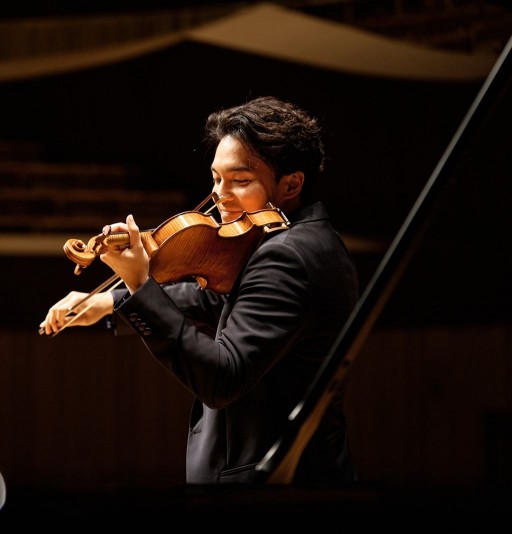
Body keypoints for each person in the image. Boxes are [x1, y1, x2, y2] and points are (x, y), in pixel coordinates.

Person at [40, 96, 359, 485]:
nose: (220, 196)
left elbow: (222, 378)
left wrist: (141, 284)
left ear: (291, 183)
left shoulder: (287, 255)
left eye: (240, 181)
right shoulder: (311, 239)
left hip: (269, 489)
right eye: (216, 178)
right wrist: (110, 301)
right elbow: (216, 297)